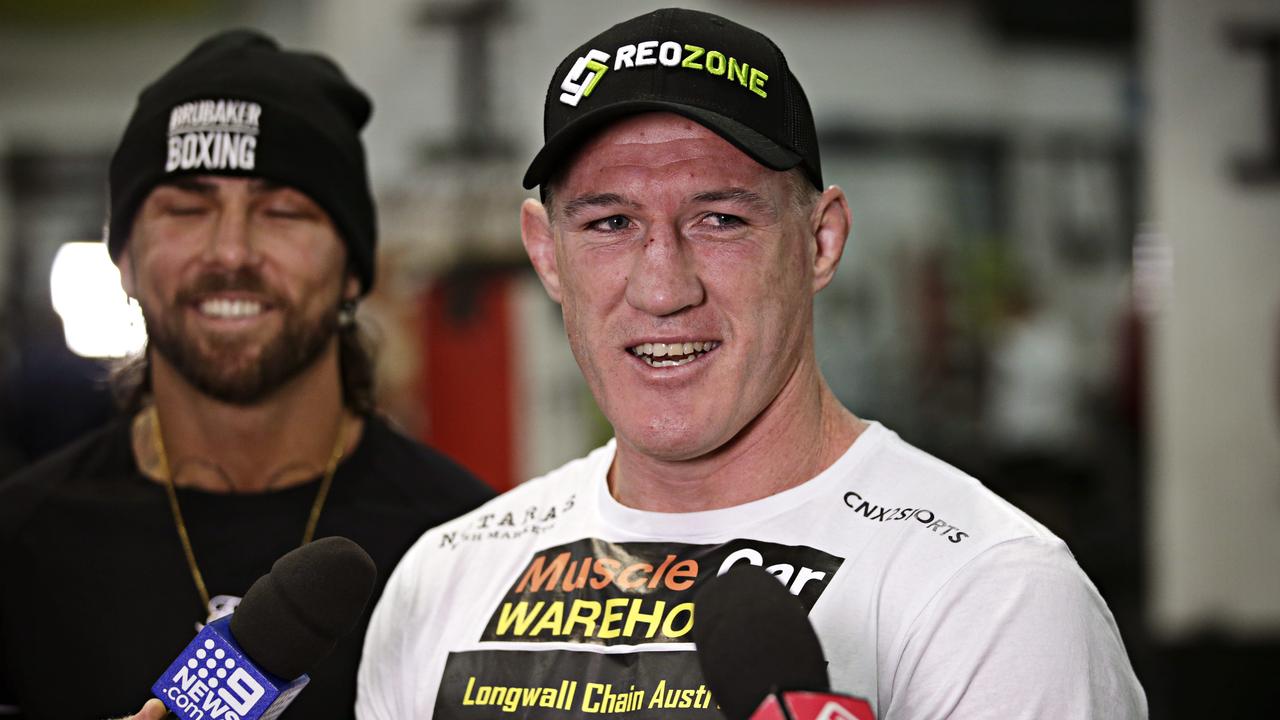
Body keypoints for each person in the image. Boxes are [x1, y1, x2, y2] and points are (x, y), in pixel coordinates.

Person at [355, 8, 1147, 720]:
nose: (662, 287)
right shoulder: (445, 578)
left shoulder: (988, 593)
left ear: (820, 241)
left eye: (721, 219)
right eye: (610, 223)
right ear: (547, 254)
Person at [0, 29, 493, 720]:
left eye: (283, 210)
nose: (230, 250)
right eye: (186, 208)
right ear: (125, 260)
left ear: (355, 268)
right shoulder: (20, 546)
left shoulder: (472, 550)